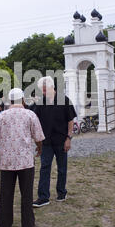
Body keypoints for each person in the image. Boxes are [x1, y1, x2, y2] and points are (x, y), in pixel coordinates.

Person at [0, 88, 45, 227]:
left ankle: (5, 225)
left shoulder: (2, 116)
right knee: (27, 194)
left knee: (6, 193)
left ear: (10, 101)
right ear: (23, 100)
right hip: (25, 161)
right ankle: (28, 225)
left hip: (7, 161)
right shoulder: (30, 114)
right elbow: (38, 136)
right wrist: (39, 148)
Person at [33, 76, 77, 208]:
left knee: (62, 168)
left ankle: (61, 192)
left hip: (61, 140)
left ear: (53, 87)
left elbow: (70, 121)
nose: (44, 93)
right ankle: (43, 197)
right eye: (42, 91)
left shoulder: (65, 100)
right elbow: (34, 119)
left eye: (45, 90)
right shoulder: (40, 102)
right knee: (44, 168)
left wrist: (69, 139)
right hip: (46, 142)